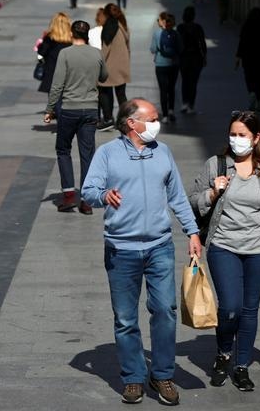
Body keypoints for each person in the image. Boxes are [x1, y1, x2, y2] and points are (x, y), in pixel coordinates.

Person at [81, 98, 200, 406]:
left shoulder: (163, 153)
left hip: (160, 246)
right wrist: (104, 195)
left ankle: (162, 375)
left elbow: (178, 197)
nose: (157, 124)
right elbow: (88, 192)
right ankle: (133, 377)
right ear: (132, 123)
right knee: (125, 319)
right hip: (121, 250)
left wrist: (193, 231)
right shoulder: (107, 154)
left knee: (165, 311)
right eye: (152, 118)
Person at [189, 110, 260, 391]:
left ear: (256, 138)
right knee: (229, 308)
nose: (237, 140)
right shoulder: (215, 165)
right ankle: (223, 353)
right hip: (223, 246)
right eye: (233, 134)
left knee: (249, 310)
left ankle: (241, 366)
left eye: (243, 135)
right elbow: (191, 201)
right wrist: (212, 193)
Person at [44, 20, 108, 214]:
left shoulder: (65, 54)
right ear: (87, 35)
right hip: (90, 109)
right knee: (87, 154)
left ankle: (69, 195)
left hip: (69, 109)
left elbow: (57, 85)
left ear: (72, 34)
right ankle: (87, 201)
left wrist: (49, 110)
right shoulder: (96, 53)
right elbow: (104, 76)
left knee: (63, 150)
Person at [97, 4, 130, 131]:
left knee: (104, 90)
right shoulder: (123, 25)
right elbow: (128, 47)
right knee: (121, 94)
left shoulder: (110, 26)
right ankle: (124, 119)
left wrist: (98, 64)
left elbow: (106, 49)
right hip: (122, 65)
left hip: (110, 66)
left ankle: (108, 119)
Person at [236, 8, 260, 112]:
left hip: (248, 58)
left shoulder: (246, 27)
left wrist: (238, 57)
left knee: (250, 77)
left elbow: (242, 43)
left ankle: (252, 92)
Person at [150, 12, 183, 123]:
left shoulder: (157, 33)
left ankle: (164, 115)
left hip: (160, 64)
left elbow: (153, 49)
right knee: (171, 88)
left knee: (163, 90)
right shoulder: (176, 33)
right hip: (174, 64)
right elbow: (181, 49)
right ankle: (171, 110)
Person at [37, 12, 73, 110]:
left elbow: (41, 53)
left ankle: (59, 117)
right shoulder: (72, 38)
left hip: (52, 73)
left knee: (55, 100)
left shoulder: (50, 38)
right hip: (69, 72)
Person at [176, 6, 208, 114]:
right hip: (196, 58)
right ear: (193, 16)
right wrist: (204, 57)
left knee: (185, 81)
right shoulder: (198, 27)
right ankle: (191, 105)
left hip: (183, 58)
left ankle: (184, 103)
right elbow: (202, 44)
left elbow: (177, 44)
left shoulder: (180, 27)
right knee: (193, 83)